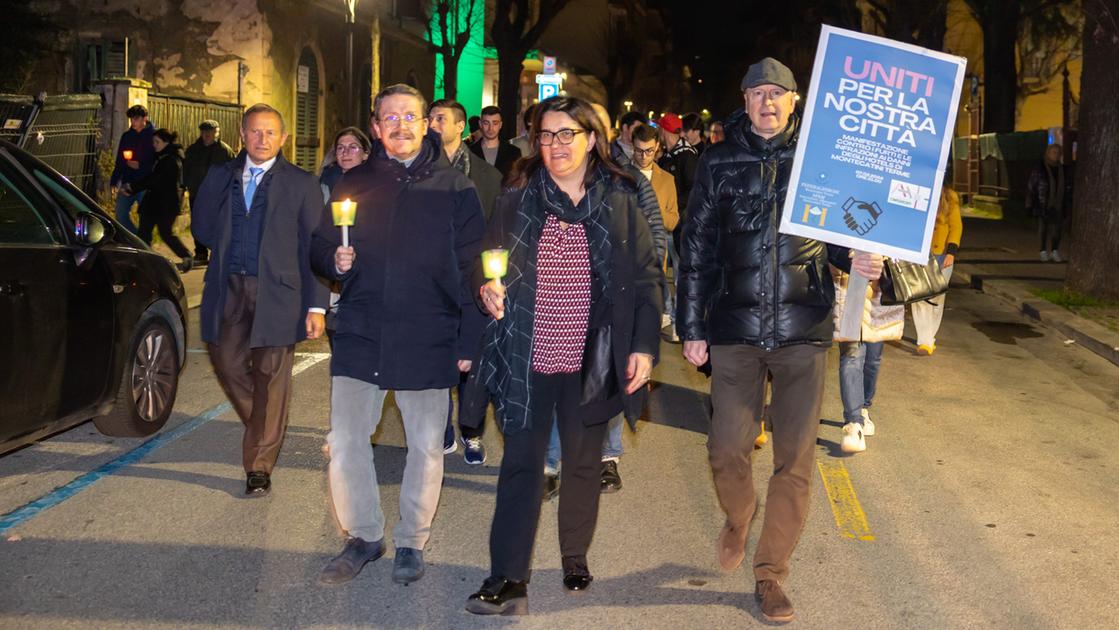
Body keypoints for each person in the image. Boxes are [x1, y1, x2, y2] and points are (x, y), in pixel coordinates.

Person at [677, 57, 883, 623]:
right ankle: (739, 515)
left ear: (795, 102)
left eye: (779, 93)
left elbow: (842, 236)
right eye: (758, 92)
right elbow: (694, 252)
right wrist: (691, 328)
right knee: (725, 449)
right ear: (743, 101)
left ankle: (770, 575)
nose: (768, 101)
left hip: (803, 332)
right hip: (735, 329)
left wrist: (860, 254)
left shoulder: (820, 164)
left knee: (794, 462)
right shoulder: (717, 163)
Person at [464, 96, 662, 615]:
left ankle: (574, 555)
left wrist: (642, 345)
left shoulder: (620, 202)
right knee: (521, 466)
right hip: (526, 354)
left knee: (580, 463)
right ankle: (507, 575)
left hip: (590, 359)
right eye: (545, 135)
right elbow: (483, 261)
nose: (554, 146)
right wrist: (486, 287)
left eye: (566, 134)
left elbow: (645, 280)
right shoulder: (516, 195)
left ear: (591, 139)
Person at [311, 84, 486, 586]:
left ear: (427, 123)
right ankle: (363, 535)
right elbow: (322, 244)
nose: (402, 126)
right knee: (345, 441)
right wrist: (332, 259)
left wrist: (468, 340)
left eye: (411, 116)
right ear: (376, 126)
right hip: (363, 330)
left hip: (428, 332)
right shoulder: (354, 183)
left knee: (427, 446)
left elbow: (474, 266)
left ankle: (413, 540)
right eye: (391, 118)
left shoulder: (455, 188)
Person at [191, 103, 328, 497]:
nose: (262, 139)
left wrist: (316, 305)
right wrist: (219, 181)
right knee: (227, 363)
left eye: (270, 132)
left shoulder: (301, 184)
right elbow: (201, 229)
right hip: (228, 287)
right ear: (242, 135)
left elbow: (314, 248)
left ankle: (259, 465)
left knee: (271, 376)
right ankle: (265, 427)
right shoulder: (222, 175)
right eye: (254, 131)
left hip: (279, 293)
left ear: (282, 138)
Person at [538, 105, 666, 498]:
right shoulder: (538, 185)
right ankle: (549, 461)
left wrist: (643, 275)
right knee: (560, 384)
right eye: (550, 133)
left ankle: (608, 458)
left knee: (608, 379)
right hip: (561, 311)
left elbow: (653, 231)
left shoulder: (625, 184)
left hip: (612, 305)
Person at [429, 97, 502, 464]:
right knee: (437, 356)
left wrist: (494, 277)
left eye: (441, 118)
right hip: (432, 281)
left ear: (461, 126)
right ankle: (440, 428)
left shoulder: (487, 176)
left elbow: (499, 228)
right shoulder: (419, 172)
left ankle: (471, 432)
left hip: (475, 280)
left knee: (473, 363)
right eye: (430, 118)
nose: (432, 124)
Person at [831, 267, 904, 453]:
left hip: (879, 290)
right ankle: (853, 422)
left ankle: (863, 406)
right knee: (851, 355)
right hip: (849, 285)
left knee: (872, 360)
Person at [318, 127, 372, 348]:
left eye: (353, 147)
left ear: (366, 153)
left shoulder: (377, 183)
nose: (346, 153)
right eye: (340, 148)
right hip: (334, 268)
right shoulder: (325, 181)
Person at [125, 128, 194, 272]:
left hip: (164, 204)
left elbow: (154, 179)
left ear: (166, 142)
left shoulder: (170, 160)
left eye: (157, 142)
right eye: (153, 141)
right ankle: (145, 261)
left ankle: (185, 256)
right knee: (145, 232)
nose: (154, 144)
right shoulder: (164, 156)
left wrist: (133, 187)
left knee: (164, 233)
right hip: (156, 203)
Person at [911, 180, 963, 356]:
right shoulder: (918, 190)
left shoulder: (950, 197)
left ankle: (930, 335)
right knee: (919, 296)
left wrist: (951, 252)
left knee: (937, 298)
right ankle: (924, 340)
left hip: (942, 254)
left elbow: (956, 227)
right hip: (920, 254)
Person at [183, 120, 236, 265]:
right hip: (197, 192)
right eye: (204, 131)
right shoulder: (193, 150)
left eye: (211, 132)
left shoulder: (224, 151)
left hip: (217, 194)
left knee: (218, 223)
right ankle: (200, 253)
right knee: (199, 223)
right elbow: (186, 169)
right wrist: (184, 186)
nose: (207, 135)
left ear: (216, 133)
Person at [110, 104, 156, 233]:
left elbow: (158, 160)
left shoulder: (154, 136)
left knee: (145, 217)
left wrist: (141, 165)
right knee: (120, 214)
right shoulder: (127, 136)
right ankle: (136, 238)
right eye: (131, 119)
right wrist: (114, 180)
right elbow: (120, 159)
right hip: (128, 181)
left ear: (144, 118)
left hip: (146, 183)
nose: (133, 122)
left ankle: (144, 244)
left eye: (136, 119)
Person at [1026, 143, 1072, 263]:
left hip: (1059, 203)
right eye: (1053, 152)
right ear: (1048, 153)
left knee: (1057, 229)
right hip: (1043, 203)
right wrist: (1029, 203)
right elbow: (1032, 186)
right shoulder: (1040, 168)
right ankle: (1042, 251)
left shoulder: (1063, 169)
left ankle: (1055, 250)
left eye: (1058, 152)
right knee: (1043, 228)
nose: (1056, 155)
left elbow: (1067, 186)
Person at [470, 105, 522, 177]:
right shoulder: (470, 152)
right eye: (486, 123)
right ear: (480, 124)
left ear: (500, 125)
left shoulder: (513, 152)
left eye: (495, 123)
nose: (490, 128)